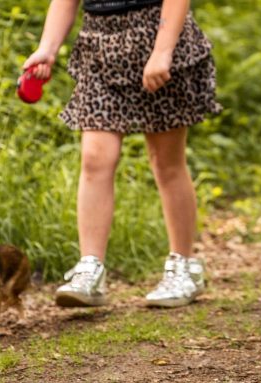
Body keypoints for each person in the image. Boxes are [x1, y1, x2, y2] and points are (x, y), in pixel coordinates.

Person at [23, 0, 221, 308]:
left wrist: (162, 51)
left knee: (166, 163)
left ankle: (183, 267)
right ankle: (90, 268)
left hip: (159, 37)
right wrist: (47, 48)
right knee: (94, 158)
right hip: (99, 47)